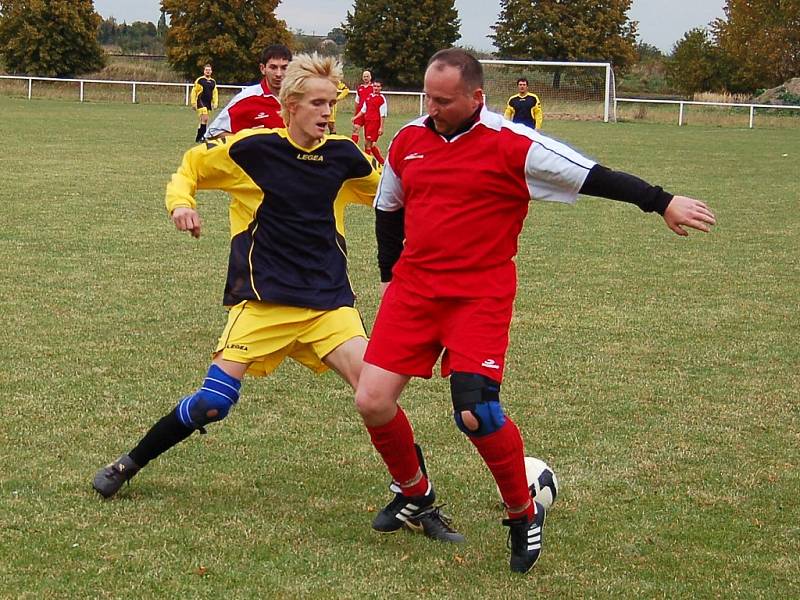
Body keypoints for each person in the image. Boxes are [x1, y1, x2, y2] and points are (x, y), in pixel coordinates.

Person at [354, 48, 716, 574]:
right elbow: (389, 206)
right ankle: (415, 492)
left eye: (444, 100)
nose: (432, 107)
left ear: (478, 97)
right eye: (427, 96)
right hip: (413, 291)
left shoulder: (513, 145)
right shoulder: (409, 139)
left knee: (477, 412)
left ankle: (523, 512)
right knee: (372, 401)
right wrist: (391, 273)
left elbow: (592, 175)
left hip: (479, 294)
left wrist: (660, 201)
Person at [205, 44, 292, 139]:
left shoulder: (302, 98)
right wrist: (248, 141)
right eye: (273, 67)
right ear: (263, 69)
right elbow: (213, 132)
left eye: (284, 68)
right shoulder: (247, 97)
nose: (279, 74)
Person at [355, 81, 387, 164]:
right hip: (367, 123)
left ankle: (369, 163)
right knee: (368, 144)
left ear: (381, 88)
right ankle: (380, 162)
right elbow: (363, 110)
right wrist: (356, 117)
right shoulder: (369, 96)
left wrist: (381, 127)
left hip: (375, 123)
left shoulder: (381, 98)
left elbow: (383, 114)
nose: (376, 88)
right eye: (375, 86)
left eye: (378, 86)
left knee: (369, 144)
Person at [190, 63, 218, 142]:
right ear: (204, 71)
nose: (207, 71)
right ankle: (203, 137)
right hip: (200, 101)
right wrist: (193, 103)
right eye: (206, 70)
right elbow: (194, 91)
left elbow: (215, 93)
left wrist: (215, 103)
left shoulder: (213, 82)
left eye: (209, 70)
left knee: (203, 120)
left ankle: (199, 137)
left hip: (208, 103)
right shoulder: (200, 80)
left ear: (211, 71)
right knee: (205, 118)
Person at [350, 70, 373, 144]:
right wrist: (355, 114)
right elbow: (357, 101)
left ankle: (367, 153)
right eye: (364, 76)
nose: (365, 78)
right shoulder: (360, 88)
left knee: (368, 135)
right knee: (355, 129)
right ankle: (353, 149)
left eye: (367, 76)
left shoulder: (373, 88)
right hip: (360, 112)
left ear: (370, 77)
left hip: (369, 113)